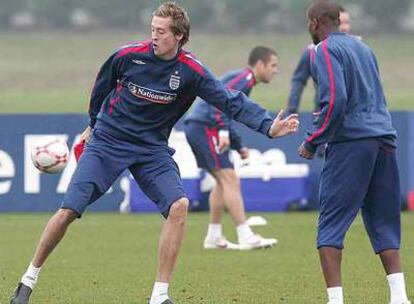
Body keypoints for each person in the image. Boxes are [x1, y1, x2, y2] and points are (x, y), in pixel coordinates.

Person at [10, 2, 299, 304]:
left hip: (151, 150)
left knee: (179, 205)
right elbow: (100, 88)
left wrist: (268, 126)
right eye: (153, 30)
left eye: (161, 32)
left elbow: (230, 100)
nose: (154, 37)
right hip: (108, 141)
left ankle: (159, 296)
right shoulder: (127, 56)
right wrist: (93, 125)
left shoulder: (191, 71)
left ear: (179, 36)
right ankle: (28, 279)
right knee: (69, 210)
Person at [298, 1, 411, 304]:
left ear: (314, 23)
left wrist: (313, 140)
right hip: (384, 138)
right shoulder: (365, 49)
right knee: (383, 218)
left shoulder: (323, 50)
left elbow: (335, 99)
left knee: (331, 222)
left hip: (351, 142)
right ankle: (399, 297)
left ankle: (336, 300)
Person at [184, 46, 279, 250]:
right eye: (273, 65)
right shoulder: (243, 78)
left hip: (204, 126)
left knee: (222, 182)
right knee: (230, 179)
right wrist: (223, 132)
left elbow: (230, 112)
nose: (276, 70)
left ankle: (214, 236)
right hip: (204, 127)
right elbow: (219, 102)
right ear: (259, 64)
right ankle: (245, 235)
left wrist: (238, 145)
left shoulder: (245, 81)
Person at [286, 6, 352, 115]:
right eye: (341, 23)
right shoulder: (313, 51)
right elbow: (299, 80)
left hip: (353, 114)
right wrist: (292, 109)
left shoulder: (359, 50)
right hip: (325, 113)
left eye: (347, 23)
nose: (344, 27)